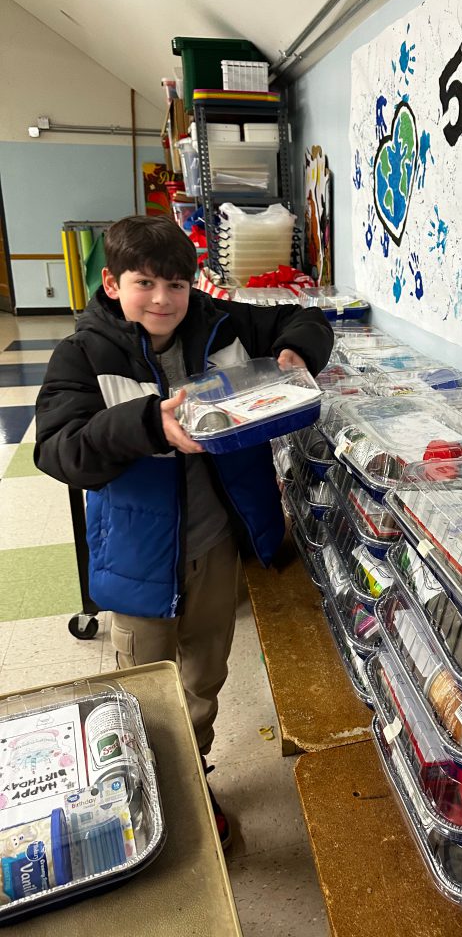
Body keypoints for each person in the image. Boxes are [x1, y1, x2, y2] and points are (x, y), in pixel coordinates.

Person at [34, 216, 334, 847]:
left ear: (195, 283)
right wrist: (146, 426)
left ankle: (194, 777)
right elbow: (58, 449)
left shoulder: (218, 320)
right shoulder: (83, 353)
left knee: (204, 675)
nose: (163, 299)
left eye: (176, 282)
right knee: (143, 685)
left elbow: (303, 319)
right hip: (140, 555)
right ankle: (140, 796)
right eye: (145, 283)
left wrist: (296, 353)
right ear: (113, 284)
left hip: (216, 546)